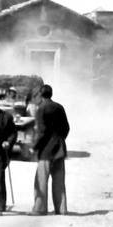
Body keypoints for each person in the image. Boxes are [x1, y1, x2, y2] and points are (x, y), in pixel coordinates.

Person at [32, 84, 70, 215]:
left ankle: (40, 209)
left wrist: (35, 147)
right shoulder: (59, 107)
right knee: (59, 181)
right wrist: (60, 139)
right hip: (59, 148)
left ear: (41, 95)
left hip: (46, 151)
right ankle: (61, 209)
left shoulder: (41, 109)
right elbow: (66, 128)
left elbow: (41, 132)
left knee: (41, 181)